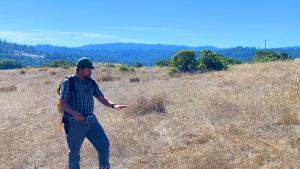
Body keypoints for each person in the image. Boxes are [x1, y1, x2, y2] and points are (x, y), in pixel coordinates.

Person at [59, 57, 129, 169]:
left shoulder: (90, 82)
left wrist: (113, 105)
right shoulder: (69, 82)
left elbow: (101, 97)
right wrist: (74, 113)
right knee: (74, 153)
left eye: (91, 69)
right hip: (74, 123)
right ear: (79, 69)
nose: (90, 72)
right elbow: (62, 103)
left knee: (103, 145)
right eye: (88, 69)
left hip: (91, 121)